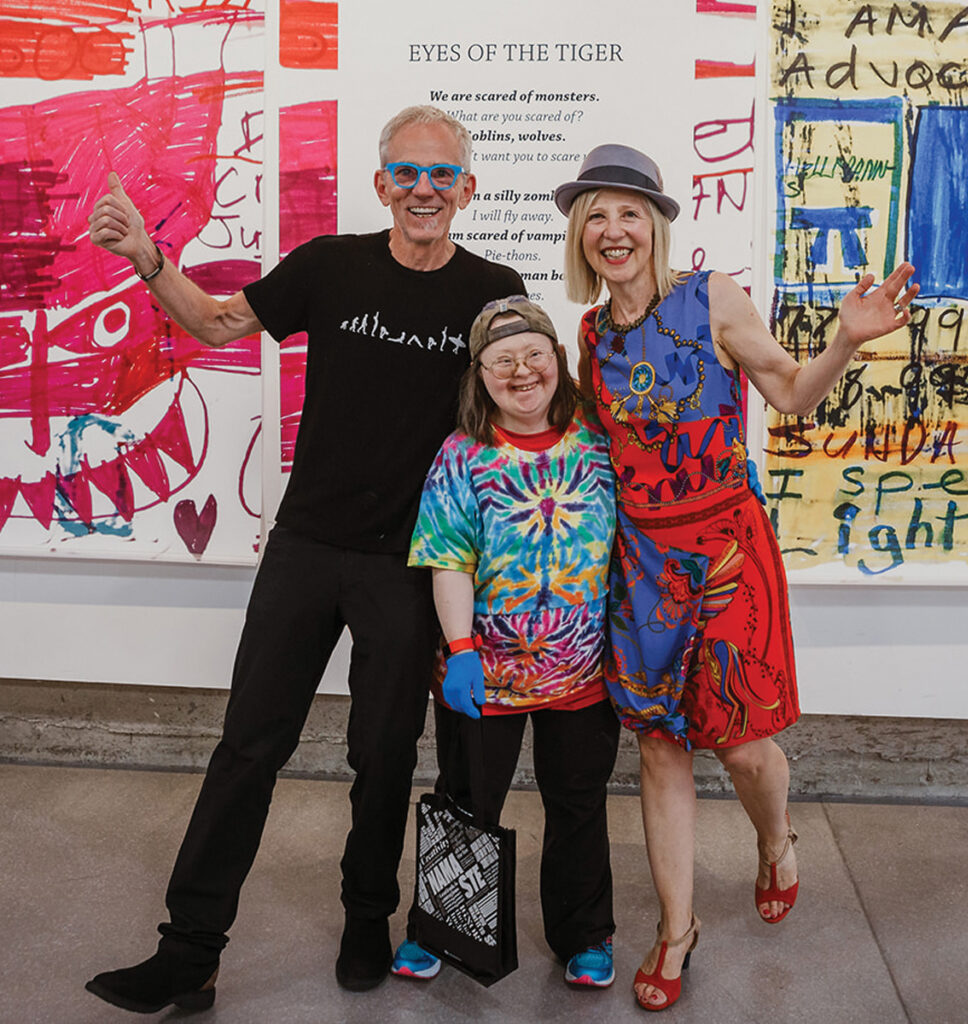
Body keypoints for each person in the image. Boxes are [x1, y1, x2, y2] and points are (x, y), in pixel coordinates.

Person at [83, 105, 524, 1013]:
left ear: (468, 189)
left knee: (383, 755)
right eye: (406, 172)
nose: (423, 191)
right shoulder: (329, 265)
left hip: (410, 563)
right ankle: (191, 948)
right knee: (249, 744)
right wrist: (146, 259)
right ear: (381, 184)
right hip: (307, 548)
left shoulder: (493, 291)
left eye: (442, 175)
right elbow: (213, 325)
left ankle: (369, 917)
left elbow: (523, 407)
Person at [554, 145, 918, 1011]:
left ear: (657, 225)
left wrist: (843, 343)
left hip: (724, 549)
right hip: (640, 566)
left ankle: (776, 836)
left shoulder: (712, 298)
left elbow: (790, 393)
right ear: (580, 235)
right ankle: (678, 929)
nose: (614, 230)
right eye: (596, 215)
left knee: (742, 743)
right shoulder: (591, 335)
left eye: (630, 212)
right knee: (658, 745)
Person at [393, 295, 621, 988]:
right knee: (466, 802)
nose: (521, 372)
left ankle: (584, 934)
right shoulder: (464, 455)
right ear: (480, 374)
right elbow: (448, 559)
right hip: (484, 675)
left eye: (534, 356)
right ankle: (439, 930)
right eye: (502, 361)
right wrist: (460, 650)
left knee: (578, 803)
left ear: (557, 362)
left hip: (584, 674)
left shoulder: (599, 438)